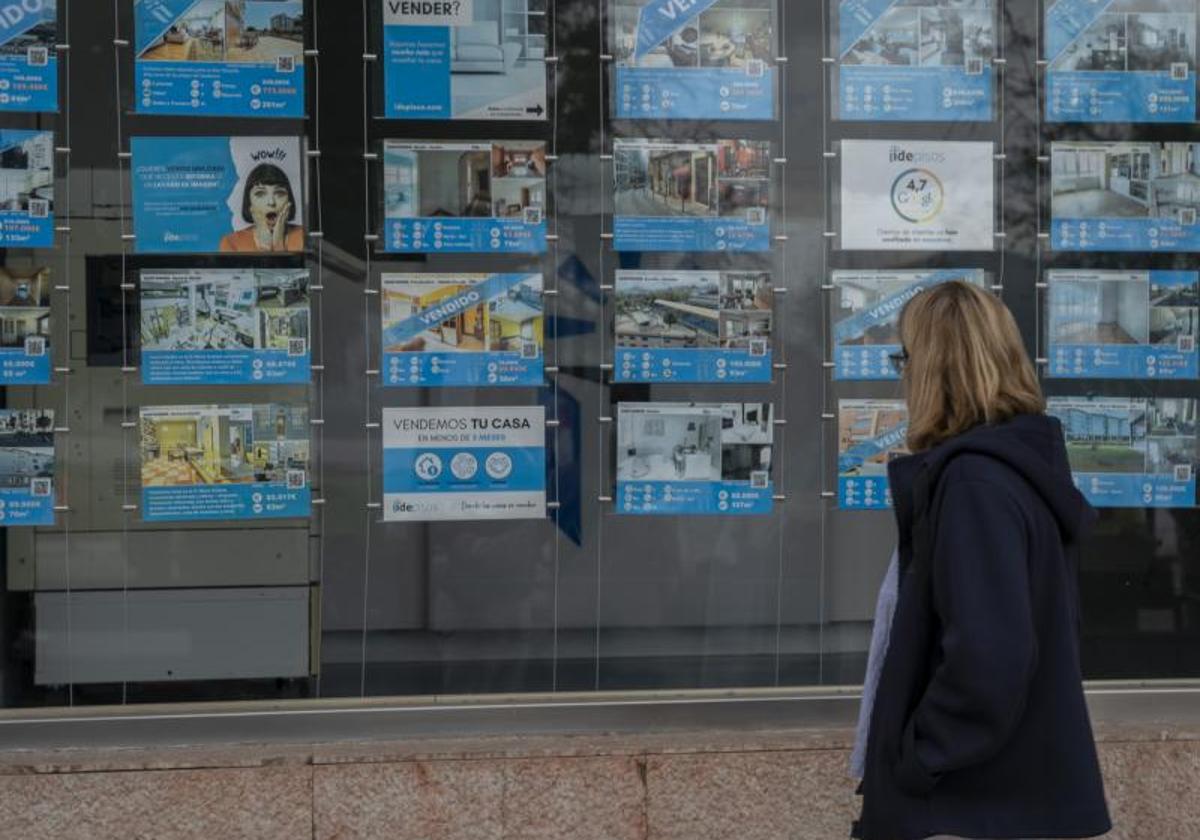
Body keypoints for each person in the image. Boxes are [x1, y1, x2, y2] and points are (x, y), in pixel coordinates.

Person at [851, 281, 1111, 840]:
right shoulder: (1008, 472)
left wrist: (920, 759)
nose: (901, 375)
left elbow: (991, 655)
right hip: (1003, 802)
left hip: (971, 808)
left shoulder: (976, 483)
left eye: (906, 358)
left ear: (933, 369)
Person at [219, 163, 304, 253]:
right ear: (249, 202)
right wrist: (265, 249)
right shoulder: (231, 242)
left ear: (289, 200)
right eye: (260, 194)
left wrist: (278, 245)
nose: (271, 202)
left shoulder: (305, 237)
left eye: (279, 193)